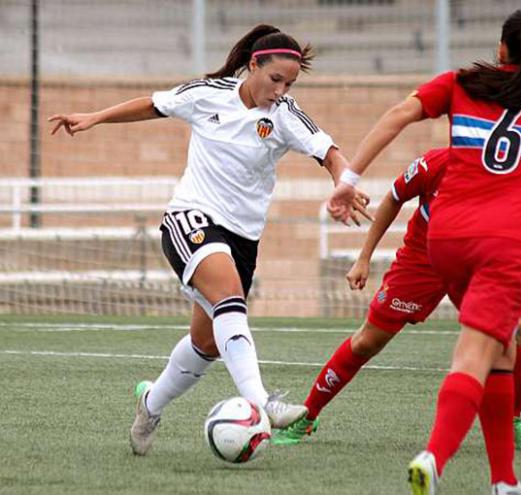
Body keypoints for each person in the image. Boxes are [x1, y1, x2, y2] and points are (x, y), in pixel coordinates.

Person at [49, 24, 371, 456]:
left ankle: (151, 404)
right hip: (190, 218)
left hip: (242, 240)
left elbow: (330, 153)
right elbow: (152, 104)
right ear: (253, 65)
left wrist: (342, 182)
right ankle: (261, 403)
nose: (280, 90)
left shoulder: (285, 115)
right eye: (275, 79)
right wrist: (95, 118)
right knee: (230, 300)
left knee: (206, 344)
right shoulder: (209, 93)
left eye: (289, 83)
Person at [326, 8, 521, 495]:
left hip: (447, 239)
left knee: (499, 351)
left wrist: (347, 180)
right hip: (508, 243)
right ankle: (433, 459)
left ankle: (504, 481)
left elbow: (397, 115)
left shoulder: (462, 81)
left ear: (502, 49)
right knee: (476, 353)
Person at [272, 148, 521, 449]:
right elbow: (393, 198)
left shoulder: (516, 177)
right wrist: (364, 257)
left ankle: (511, 418)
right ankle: (307, 414)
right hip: (423, 260)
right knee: (368, 341)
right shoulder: (435, 164)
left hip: (483, 262)